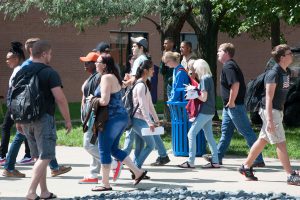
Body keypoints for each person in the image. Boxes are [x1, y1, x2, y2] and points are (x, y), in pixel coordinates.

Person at [2, 38, 72, 178]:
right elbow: (60, 98)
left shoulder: (22, 69)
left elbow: (16, 95)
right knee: (44, 155)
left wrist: (17, 118)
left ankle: (44, 188)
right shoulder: (47, 71)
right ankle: (31, 188)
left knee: (38, 156)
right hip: (41, 116)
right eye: (50, 53)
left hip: (25, 116)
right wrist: (68, 120)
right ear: (43, 53)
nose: (51, 56)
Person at [239, 44, 300, 185]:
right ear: (282, 57)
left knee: (263, 140)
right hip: (269, 111)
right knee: (281, 143)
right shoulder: (274, 74)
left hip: (277, 111)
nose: (292, 55)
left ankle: (245, 167)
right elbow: (268, 97)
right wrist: (270, 120)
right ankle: (290, 175)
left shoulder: (285, 72)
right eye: (290, 53)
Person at [91, 54, 147, 192]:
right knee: (113, 149)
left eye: (97, 62)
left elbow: (104, 101)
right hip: (121, 118)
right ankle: (138, 172)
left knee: (103, 149)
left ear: (104, 65)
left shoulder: (105, 77)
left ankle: (105, 184)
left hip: (111, 119)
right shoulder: (114, 76)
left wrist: (92, 99)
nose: (95, 64)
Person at [204, 43, 265, 166]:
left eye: (219, 51)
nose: (217, 53)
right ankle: (217, 157)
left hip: (234, 106)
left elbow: (235, 84)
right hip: (230, 107)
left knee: (246, 131)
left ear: (226, 53)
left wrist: (231, 102)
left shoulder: (229, 66)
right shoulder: (229, 65)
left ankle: (258, 159)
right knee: (226, 132)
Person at [178, 59, 220, 169]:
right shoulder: (209, 77)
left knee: (191, 134)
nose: (195, 70)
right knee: (209, 136)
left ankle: (191, 162)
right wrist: (196, 89)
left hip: (204, 111)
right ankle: (215, 161)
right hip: (210, 111)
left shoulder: (204, 79)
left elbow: (204, 98)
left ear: (200, 68)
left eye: (196, 68)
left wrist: (194, 93)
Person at [0, 41, 34, 167]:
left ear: (16, 58)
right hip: (16, 103)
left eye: (8, 59)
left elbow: (18, 90)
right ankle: (28, 154)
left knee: (6, 127)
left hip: (16, 104)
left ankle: (3, 156)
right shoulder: (18, 69)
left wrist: (15, 106)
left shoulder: (19, 69)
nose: (7, 61)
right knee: (22, 129)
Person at [130, 60, 165, 170]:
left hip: (139, 120)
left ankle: (136, 170)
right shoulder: (140, 85)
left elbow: (150, 105)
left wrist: (156, 119)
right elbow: (143, 106)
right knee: (151, 145)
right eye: (151, 69)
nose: (154, 71)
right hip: (137, 120)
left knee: (139, 147)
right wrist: (150, 122)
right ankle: (136, 167)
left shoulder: (144, 84)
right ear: (145, 71)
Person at [78, 52, 102, 184]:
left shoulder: (99, 77)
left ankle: (114, 162)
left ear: (95, 64)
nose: (84, 65)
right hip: (90, 116)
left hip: (94, 117)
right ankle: (93, 174)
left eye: (87, 62)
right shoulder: (93, 77)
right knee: (93, 144)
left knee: (88, 145)